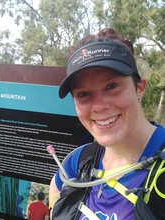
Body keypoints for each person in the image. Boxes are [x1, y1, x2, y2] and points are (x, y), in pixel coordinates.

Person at [49, 28, 165, 220]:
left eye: (111, 86)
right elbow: (55, 185)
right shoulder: (80, 160)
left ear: (140, 87)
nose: (99, 106)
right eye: (83, 94)